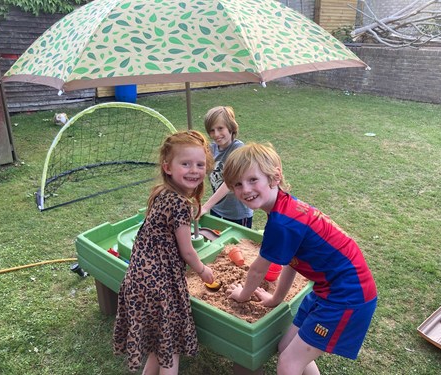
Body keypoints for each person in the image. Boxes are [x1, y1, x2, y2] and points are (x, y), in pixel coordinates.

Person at [223, 143, 377, 375]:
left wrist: (242, 295)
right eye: (237, 184)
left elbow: (256, 271)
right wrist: (276, 298)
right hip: (329, 290)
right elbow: (292, 262)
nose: (245, 189)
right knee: (286, 347)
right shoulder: (284, 208)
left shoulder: (282, 222)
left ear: (275, 177)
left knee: (288, 363)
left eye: (253, 180)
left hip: (347, 296)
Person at [113, 130, 215, 375]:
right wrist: (203, 271)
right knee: (170, 351)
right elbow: (188, 252)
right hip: (159, 286)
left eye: (200, 164)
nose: (194, 170)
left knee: (158, 348)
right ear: (168, 167)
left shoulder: (161, 193)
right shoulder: (179, 203)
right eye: (186, 164)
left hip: (137, 280)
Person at [200, 106, 253, 228]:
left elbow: (229, 183)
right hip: (217, 210)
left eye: (220, 128)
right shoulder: (211, 149)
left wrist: (206, 206)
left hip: (238, 215)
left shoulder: (238, 149)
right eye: (212, 130)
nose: (216, 134)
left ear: (231, 127)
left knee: (237, 246)